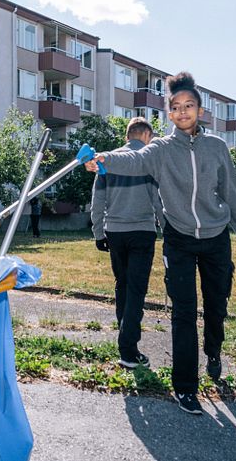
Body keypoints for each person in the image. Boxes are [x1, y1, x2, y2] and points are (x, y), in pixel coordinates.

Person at [85, 72, 236, 415]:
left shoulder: (217, 147)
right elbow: (132, 159)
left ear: (200, 110)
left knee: (216, 308)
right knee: (183, 312)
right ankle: (185, 388)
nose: (182, 112)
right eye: (175, 107)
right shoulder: (160, 149)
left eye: (188, 105)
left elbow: (232, 193)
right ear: (169, 114)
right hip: (178, 238)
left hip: (215, 237)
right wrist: (104, 157)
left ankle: (214, 351)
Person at [90, 117, 164, 370]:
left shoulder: (107, 161)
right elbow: (158, 201)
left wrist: (99, 233)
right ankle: (128, 350)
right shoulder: (147, 161)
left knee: (122, 285)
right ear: (146, 136)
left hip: (116, 232)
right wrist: (169, 230)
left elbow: (97, 201)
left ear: (128, 135)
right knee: (136, 289)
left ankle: (125, 339)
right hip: (142, 231)